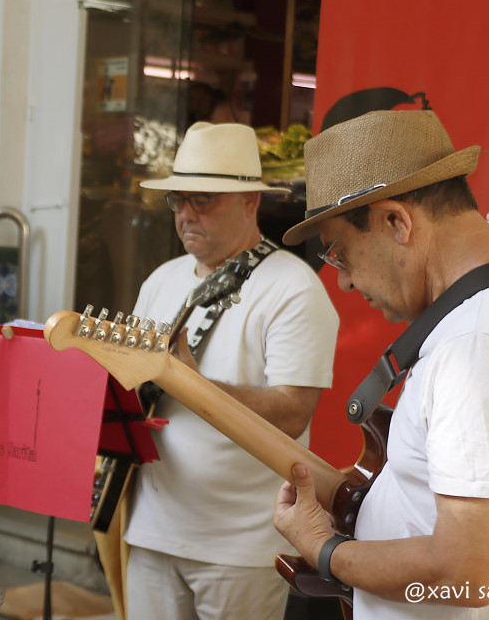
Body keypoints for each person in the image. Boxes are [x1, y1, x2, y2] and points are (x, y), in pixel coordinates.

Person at [273, 109, 489, 618]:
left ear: (396, 222)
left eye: (339, 253)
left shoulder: (481, 343)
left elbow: (467, 572)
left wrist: (326, 551)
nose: (343, 281)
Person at [122, 122, 340, 620]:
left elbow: (292, 414)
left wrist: (193, 384)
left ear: (250, 201)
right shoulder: (160, 280)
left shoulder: (293, 287)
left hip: (241, 543)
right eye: (178, 200)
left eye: (203, 200)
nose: (186, 214)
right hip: (152, 526)